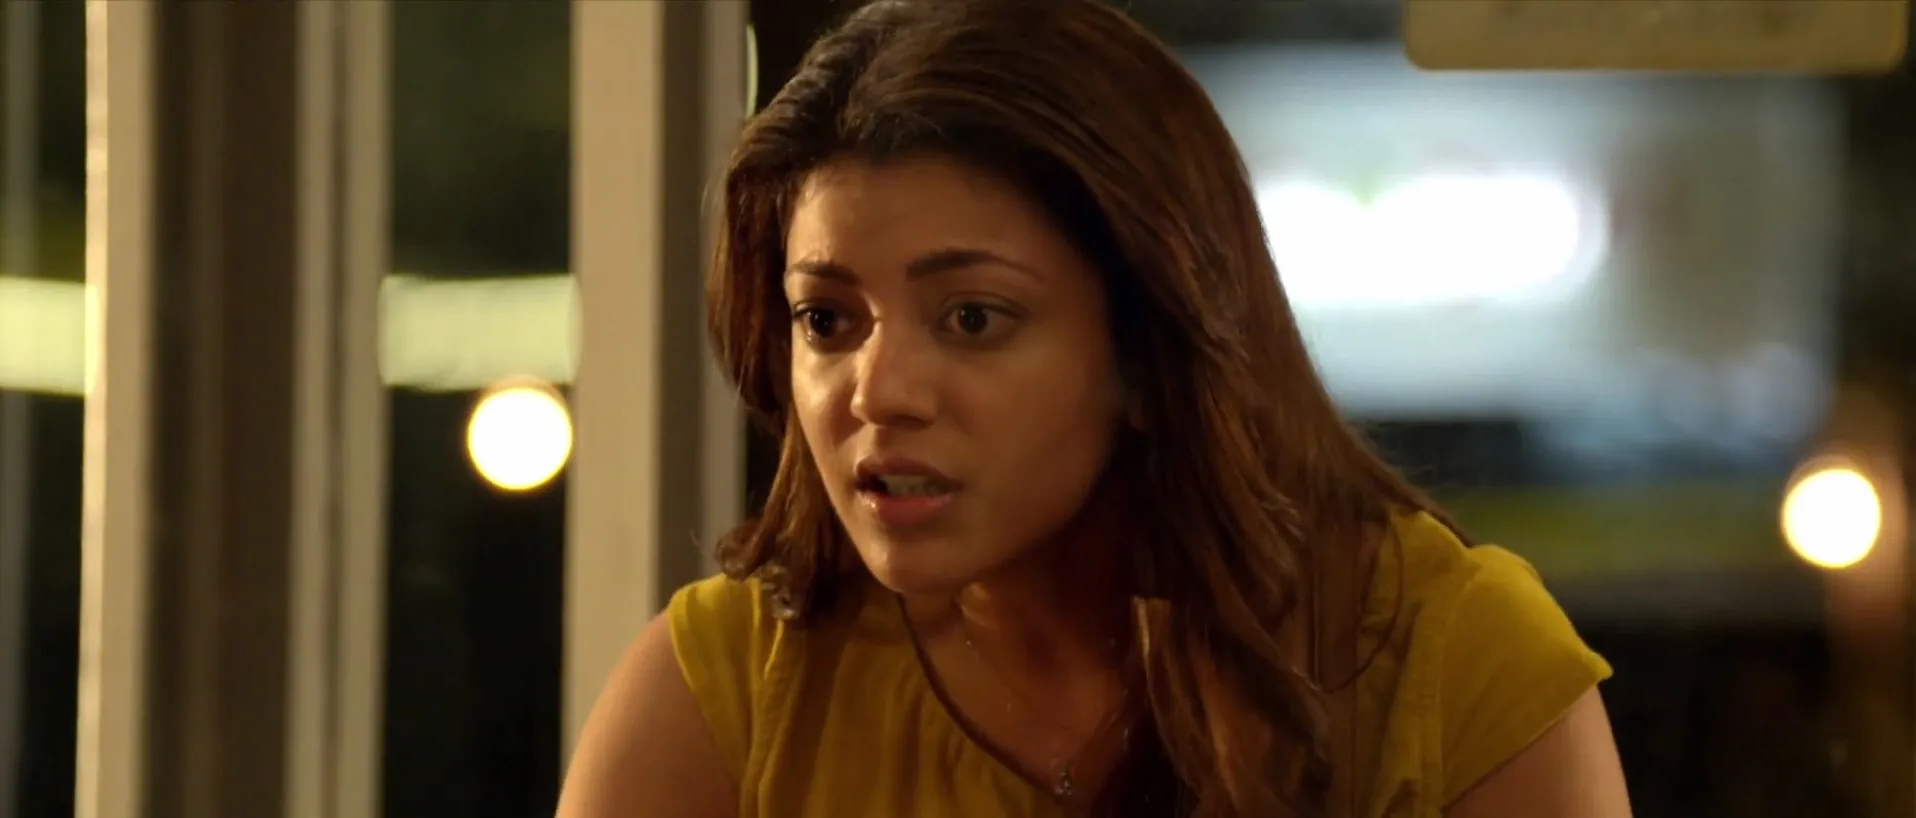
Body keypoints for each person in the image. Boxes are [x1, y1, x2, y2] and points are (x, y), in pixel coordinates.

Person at [556, 0, 1631, 815]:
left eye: (972, 318)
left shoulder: (1444, 662)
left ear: (1150, 345)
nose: (877, 392)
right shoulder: (734, 692)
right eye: (827, 320)